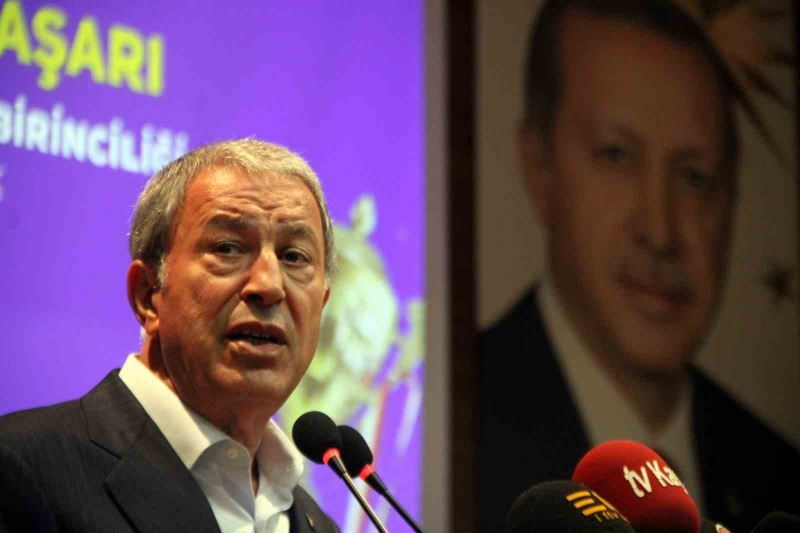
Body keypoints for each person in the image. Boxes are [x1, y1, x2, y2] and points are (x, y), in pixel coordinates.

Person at [478, 2, 800, 532]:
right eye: (617, 156)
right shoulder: (456, 423)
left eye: (695, 177)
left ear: (732, 201)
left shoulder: (776, 469)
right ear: (539, 165)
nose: (661, 231)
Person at [0, 139, 340, 532]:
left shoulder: (318, 525)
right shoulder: (21, 470)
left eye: (294, 256)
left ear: (321, 305)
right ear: (148, 295)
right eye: (228, 248)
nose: (269, 285)